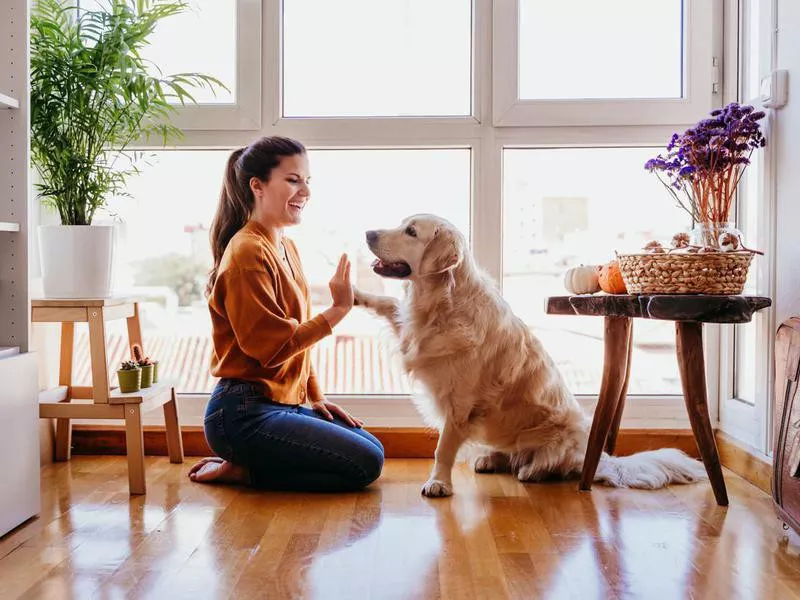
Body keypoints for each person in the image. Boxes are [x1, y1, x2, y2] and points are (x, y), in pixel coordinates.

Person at [188, 136, 384, 492]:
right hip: (242, 413)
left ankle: (250, 464)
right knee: (365, 465)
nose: (305, 191)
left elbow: (296, 343)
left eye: (308, 181)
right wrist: (339, 309)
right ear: (257, 186)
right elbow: (271, 348)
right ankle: (245, 471)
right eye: (293, 180)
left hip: (281, 403)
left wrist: (315, 396)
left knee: (373, 448)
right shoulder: (247, 253)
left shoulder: (284, 245)